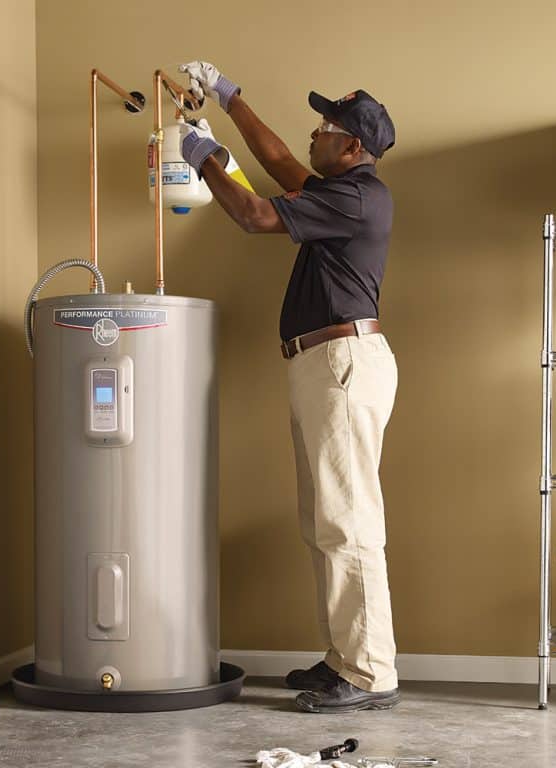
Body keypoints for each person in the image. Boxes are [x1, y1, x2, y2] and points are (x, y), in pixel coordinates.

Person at [178, 61, 399, 714]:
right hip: (325, 364)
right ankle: (345, 659)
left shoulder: (355, 196)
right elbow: (276, 162)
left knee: (347, 521)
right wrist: (230, 97)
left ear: (352, 147)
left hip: (341, 364)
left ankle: (369, 673)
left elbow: (251, 212)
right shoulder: (342, 191)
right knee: (326, 519)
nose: (314, 133)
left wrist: (203, 157)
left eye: (326, 127)